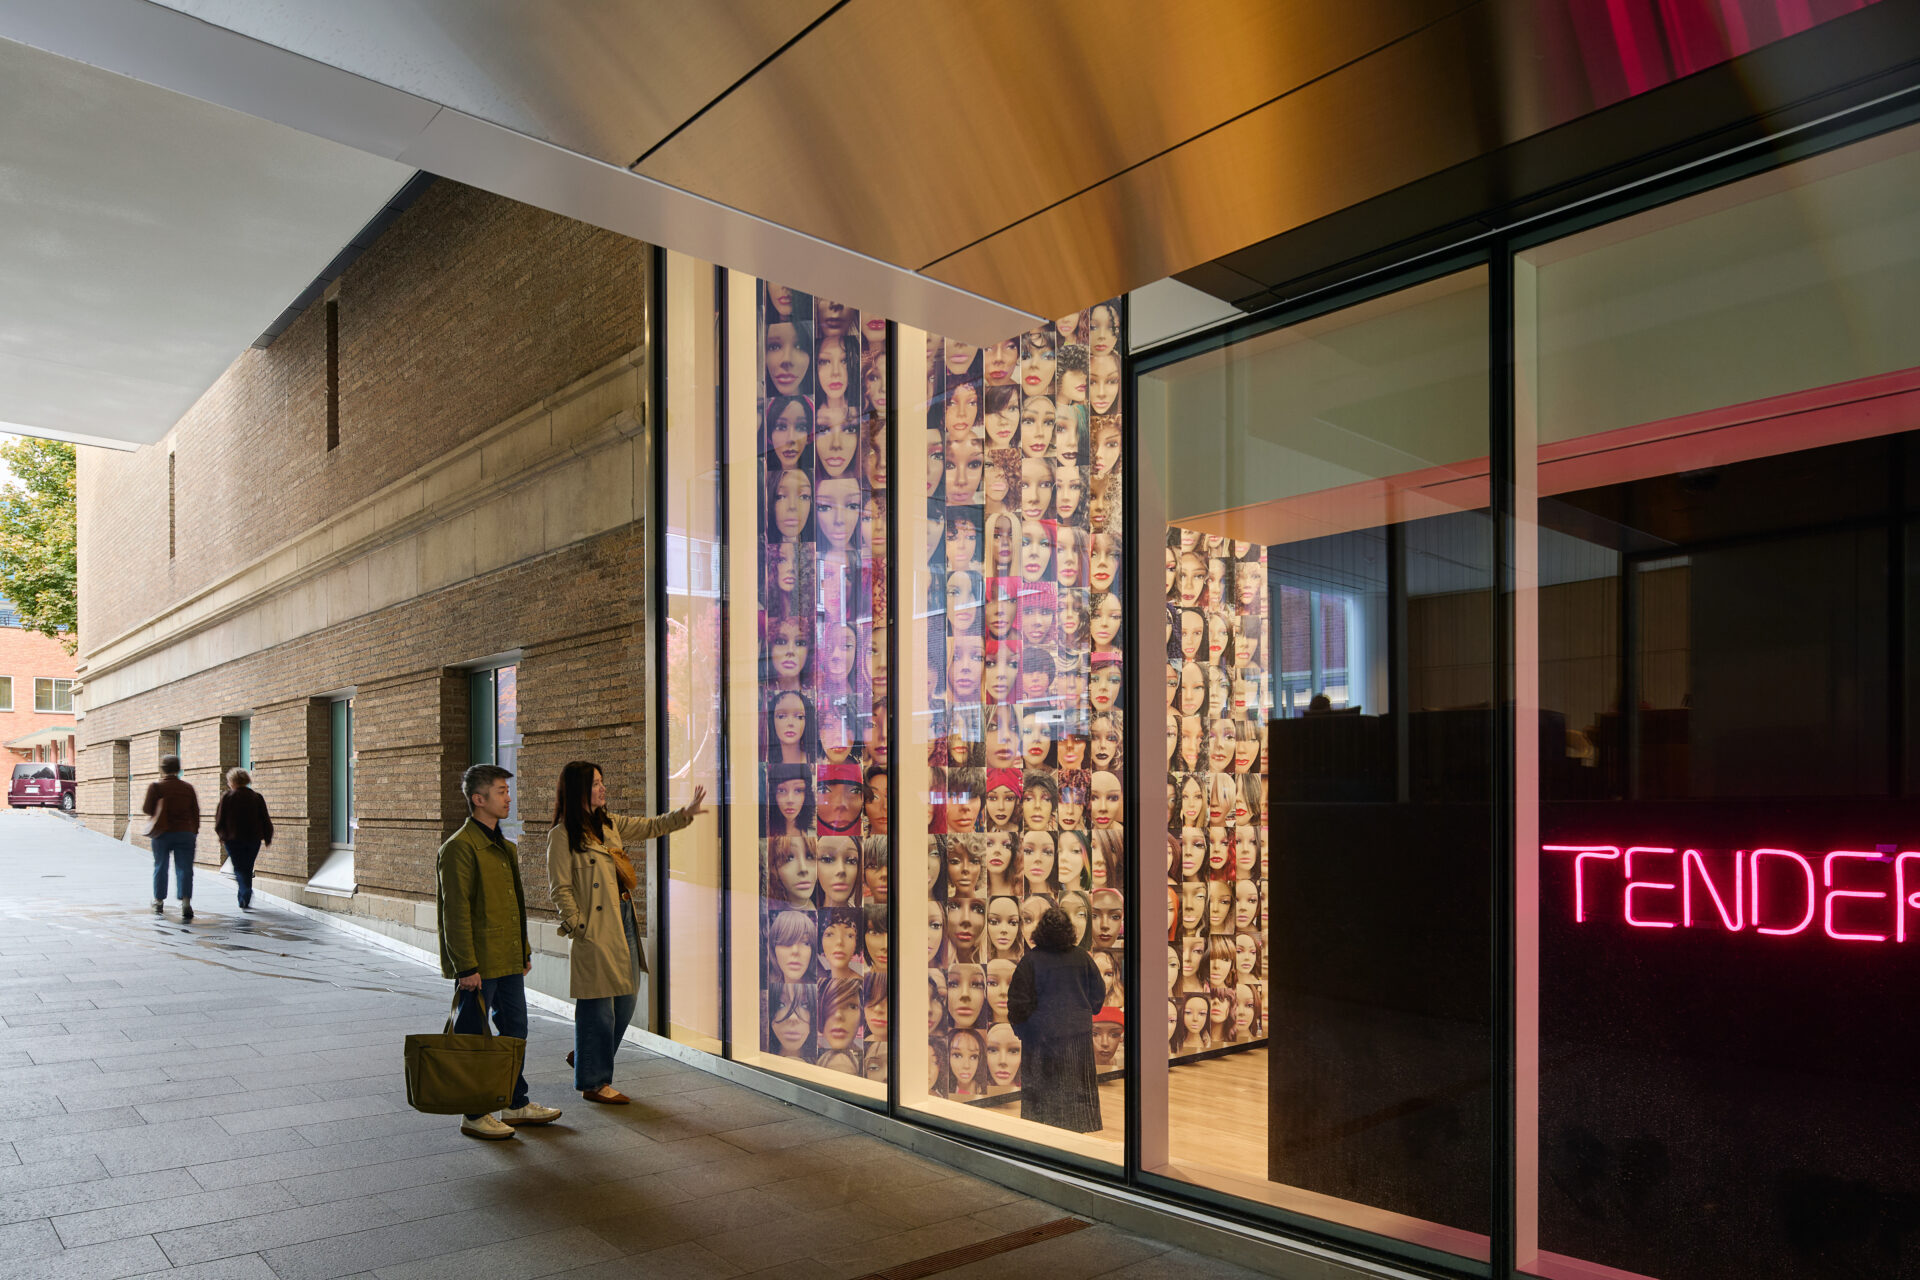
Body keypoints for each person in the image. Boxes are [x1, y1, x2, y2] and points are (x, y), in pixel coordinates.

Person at [547, 761, 707, 1105]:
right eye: (596, 784)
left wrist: (685, 813)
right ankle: (595, 1082)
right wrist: (579, 925)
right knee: (599, 1008)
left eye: (603, 782)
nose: (603, 789)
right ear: (579, 790)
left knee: (628, 998)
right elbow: (560, 889)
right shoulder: (562, 836)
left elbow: (650, 826)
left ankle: (588, 1053)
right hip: (595, 927)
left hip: (623, 919)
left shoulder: (609, 825)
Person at [436, 763, 562, 1141]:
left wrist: (523, 950)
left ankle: (514, 1101)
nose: (509, 797)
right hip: (479, 965)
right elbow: (454, 912)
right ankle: (475, 1113)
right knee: (476, 1037)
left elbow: (515, 905)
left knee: (516, 1030)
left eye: (508, 791)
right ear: (479, 799)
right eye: (501, 791)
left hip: (507, 959)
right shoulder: (459, 848)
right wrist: (466, 966)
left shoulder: (504, 847)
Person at [1007, 904, 1105, 1132]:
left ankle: (1045, 1142)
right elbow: (1098, 994)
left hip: (1041, 1039)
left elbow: (1017, 1003)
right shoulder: (1083, 958)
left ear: (1041, 931)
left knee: (1042, 1104)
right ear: (1069, 930)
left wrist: (1024, 1031)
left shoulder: (1031, 961)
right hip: (1077, 1039)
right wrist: (1085, 1014)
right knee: (1077, 1098)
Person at [142, 754, 200, 921]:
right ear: (178, 768)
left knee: (161, 866)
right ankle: (186, 903)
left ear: (162, 769)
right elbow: (195, 812)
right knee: (185, 868)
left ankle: (159, 901)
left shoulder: (156, 787)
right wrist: (194, 831)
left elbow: (147, 809)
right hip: (185, 833)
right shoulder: (188, 788)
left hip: (162, 833)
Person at [212, 767, 272, 910]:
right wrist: (267, 837)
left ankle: (245, 892)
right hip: (253, 839)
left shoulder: (227, 797)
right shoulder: (257, 797)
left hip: (233, 840)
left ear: (232, 781)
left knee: (239, 868)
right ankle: (244, 897)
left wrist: (221, 835)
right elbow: (265, 819)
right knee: (247, 867)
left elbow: (219, 819)